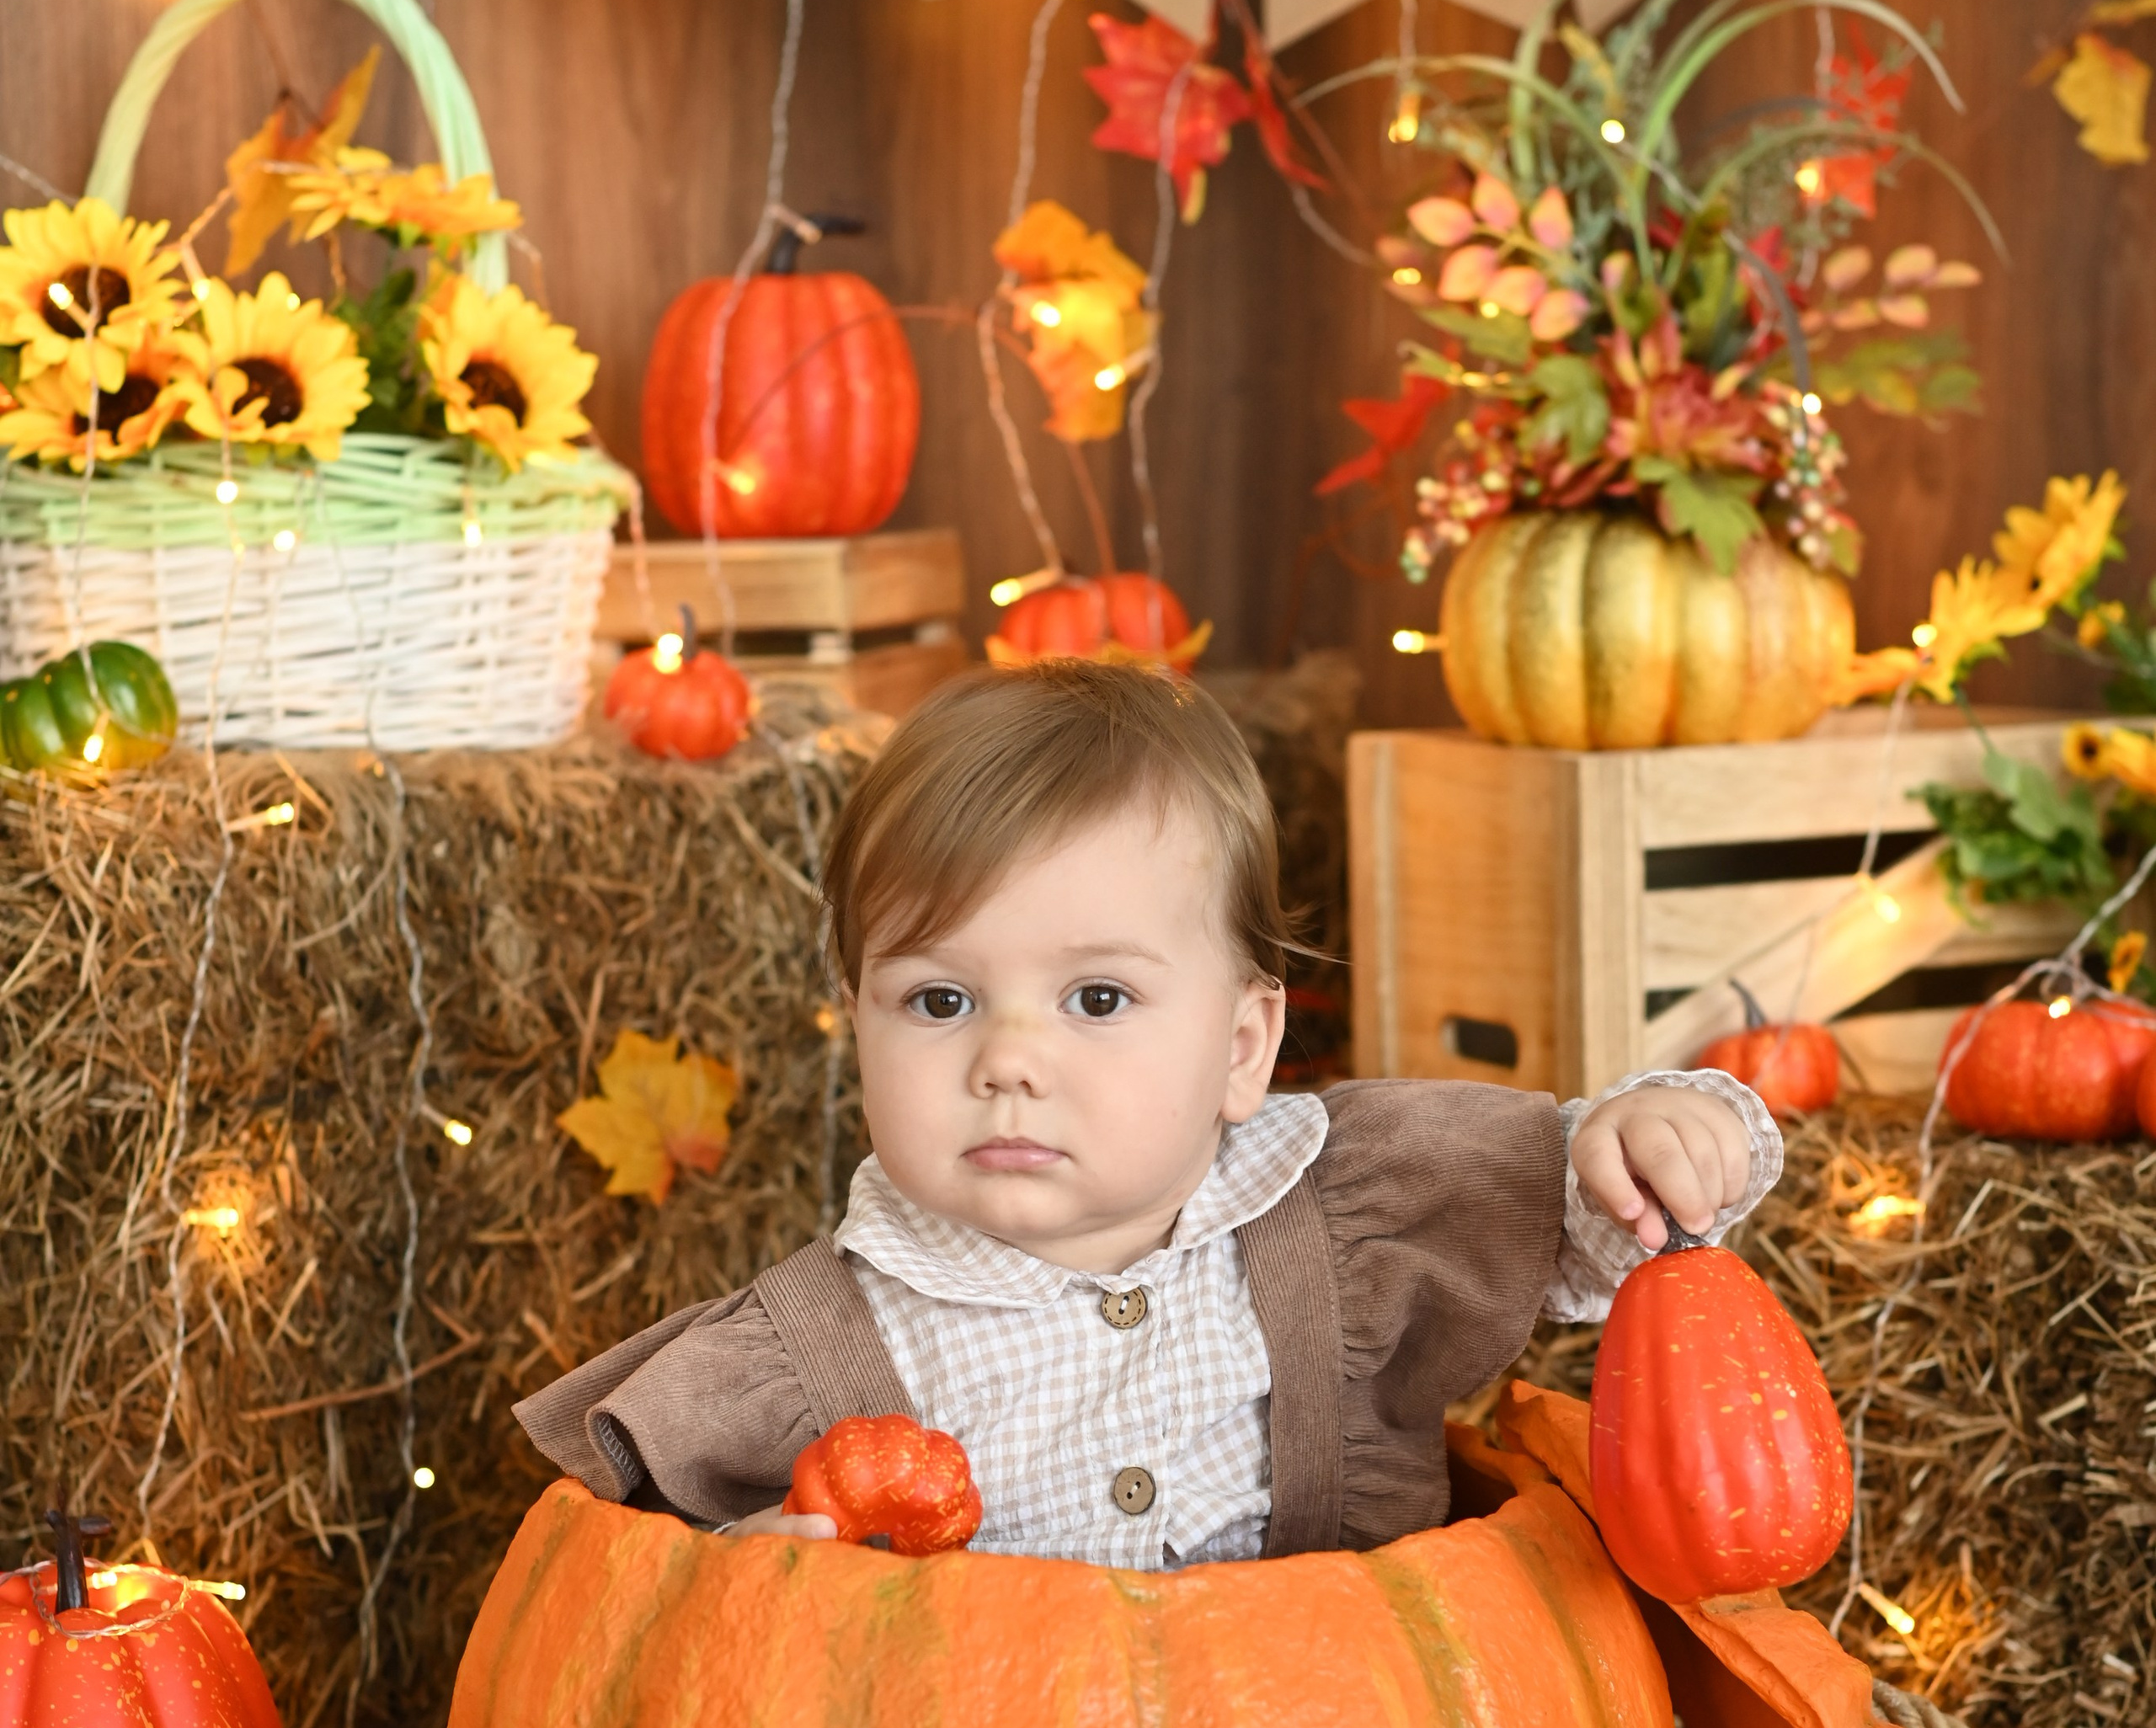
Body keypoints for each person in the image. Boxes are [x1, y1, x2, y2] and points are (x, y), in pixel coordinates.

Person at [518, 661, 1777, 1561]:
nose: (1009, 1060)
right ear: (859, 1019)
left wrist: (1659, 1129)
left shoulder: (1349, 1205)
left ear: (1241, 1046)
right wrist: (758, 1561)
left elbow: (1595, 1222)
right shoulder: (812, 1348)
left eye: (1099, 997)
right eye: (942, 1000)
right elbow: (649, 1601)